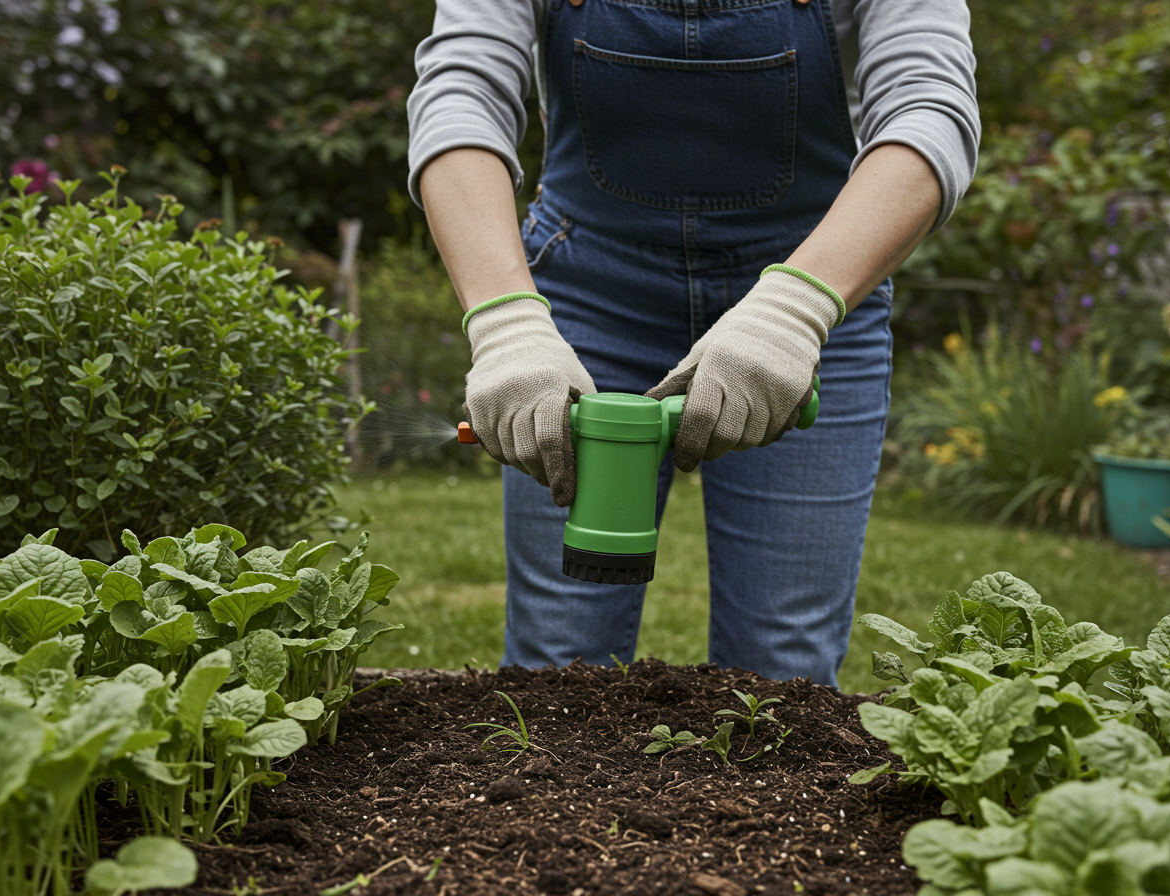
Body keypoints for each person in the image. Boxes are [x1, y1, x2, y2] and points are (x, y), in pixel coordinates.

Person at [407, 0, 979, 687]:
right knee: (556, 664)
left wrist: (793, 311)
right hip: (585, 300)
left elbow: (931, 108)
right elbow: (460, 91)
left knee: (780, 673)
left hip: (809, 297)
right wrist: (506, 323)